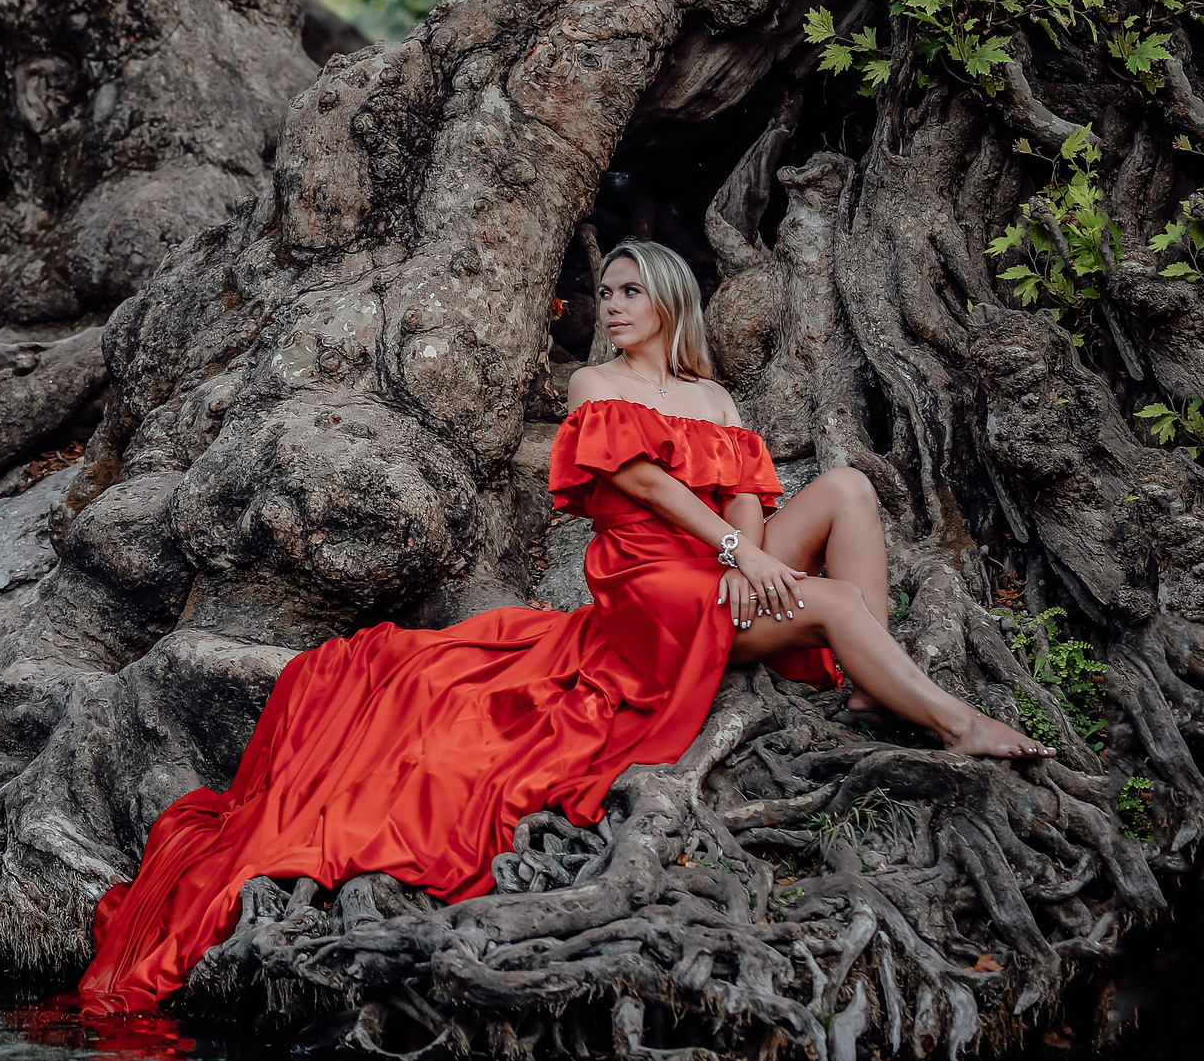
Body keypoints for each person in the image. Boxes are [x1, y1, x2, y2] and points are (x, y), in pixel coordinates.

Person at [79, 238, 1051, 1017]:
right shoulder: (598, 390)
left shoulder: (712, 397)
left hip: (717, 573)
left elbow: (752, 495)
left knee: (843, 489)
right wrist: (735, 555)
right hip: (647, 592)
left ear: (670, 301)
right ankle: (946, 718)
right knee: (830, 602)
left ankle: (857, 657)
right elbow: (640, 482)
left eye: (630, 291)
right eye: (610, 291)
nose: (614, 306)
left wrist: (752, 553)